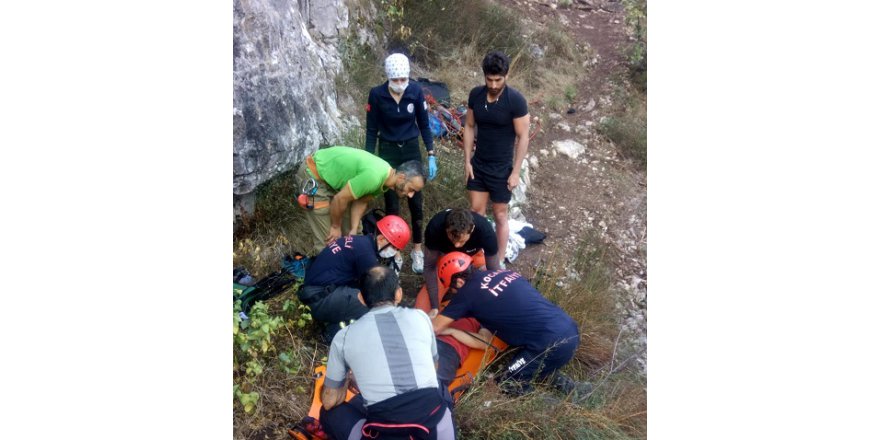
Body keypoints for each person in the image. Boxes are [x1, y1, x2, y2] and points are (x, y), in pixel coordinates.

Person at [319, 266, 455, 440]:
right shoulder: (421, 318)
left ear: (361, 298)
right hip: (436, 428)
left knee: (329, 414)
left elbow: (330, 402)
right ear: (398, 294)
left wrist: (346, 377)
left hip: (385, 432)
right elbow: (434, 368)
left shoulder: (344, 337)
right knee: (439, 391)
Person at [431, 252, 591, 398]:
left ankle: (555, 410)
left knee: (507, 383)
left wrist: (434, 318)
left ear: (459, 281)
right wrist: (452, 331)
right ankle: (573, 389)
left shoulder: (467, 294)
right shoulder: (504, 273)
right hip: (569, 329)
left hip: (548, 343)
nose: (454, 294)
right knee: (532, 363)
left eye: (452, 289)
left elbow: (434, 328)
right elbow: (484, 341)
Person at [366, 53, 438, 275]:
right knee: (392, 204)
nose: (400, 84)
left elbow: (424, 125)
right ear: (388, 78)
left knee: (415, 202)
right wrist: (368, 159)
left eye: (403, 79)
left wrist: (431, 152)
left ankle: (417, 248)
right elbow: (371, 130)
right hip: (387, 150)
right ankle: (395, 252)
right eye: (396, 80)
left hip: (410, 148)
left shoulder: (415, 91)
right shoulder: (377, 95)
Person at [462, 51, 531, 267]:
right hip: (479, 164)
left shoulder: (516, 101)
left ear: (506, 76)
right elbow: (470, 126)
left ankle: (499, 260)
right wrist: (467, 161)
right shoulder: (476, 95)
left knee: (500, 215)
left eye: (498, 80)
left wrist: (515, 171)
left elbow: (523, 137)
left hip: (502, 168)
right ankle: (478, 256)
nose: (493, 84)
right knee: (476, 212)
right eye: (489, 79)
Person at [298, 215, 411, 343]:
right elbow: (379, 291)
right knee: (373, 303)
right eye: (394, 248)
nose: (394, 252)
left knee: (365, 293)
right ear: (381, 238)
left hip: (315, 292)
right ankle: (332, 333)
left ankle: (334, 317)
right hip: (318, 298)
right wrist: (403, 308)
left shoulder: (362, 243)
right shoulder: (366, 255)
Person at [295, 146, 426, 254]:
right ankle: (328, 281)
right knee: (329, 244)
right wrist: (336, 226)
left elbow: (361, 201)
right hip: (315, 175)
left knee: (355, 236)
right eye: (411, 189)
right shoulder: (374, 177)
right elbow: (339, 200)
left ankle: (348, 267)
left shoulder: (386, 180)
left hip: (334, 184)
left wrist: (352, 229)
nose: (410, 195)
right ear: (402, 177)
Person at [414, 207, 500, 318]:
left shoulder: (485, 231)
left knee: (487, 296)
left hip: (473, 258)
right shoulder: (435, 227)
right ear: (446, 229)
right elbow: (430, 267)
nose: (457, 246)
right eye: (453, 239)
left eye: (462, 240)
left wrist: (492, 297)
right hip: (446, 261)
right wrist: (434, 306)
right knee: (422, 310)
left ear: (472, 229)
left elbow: (494, 271)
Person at [435, 317, 494, 405]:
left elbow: (484, 342)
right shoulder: (452, 306)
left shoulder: (483, 317)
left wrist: (452, 331)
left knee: (433, 383)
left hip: (448, 348)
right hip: (426, 339)